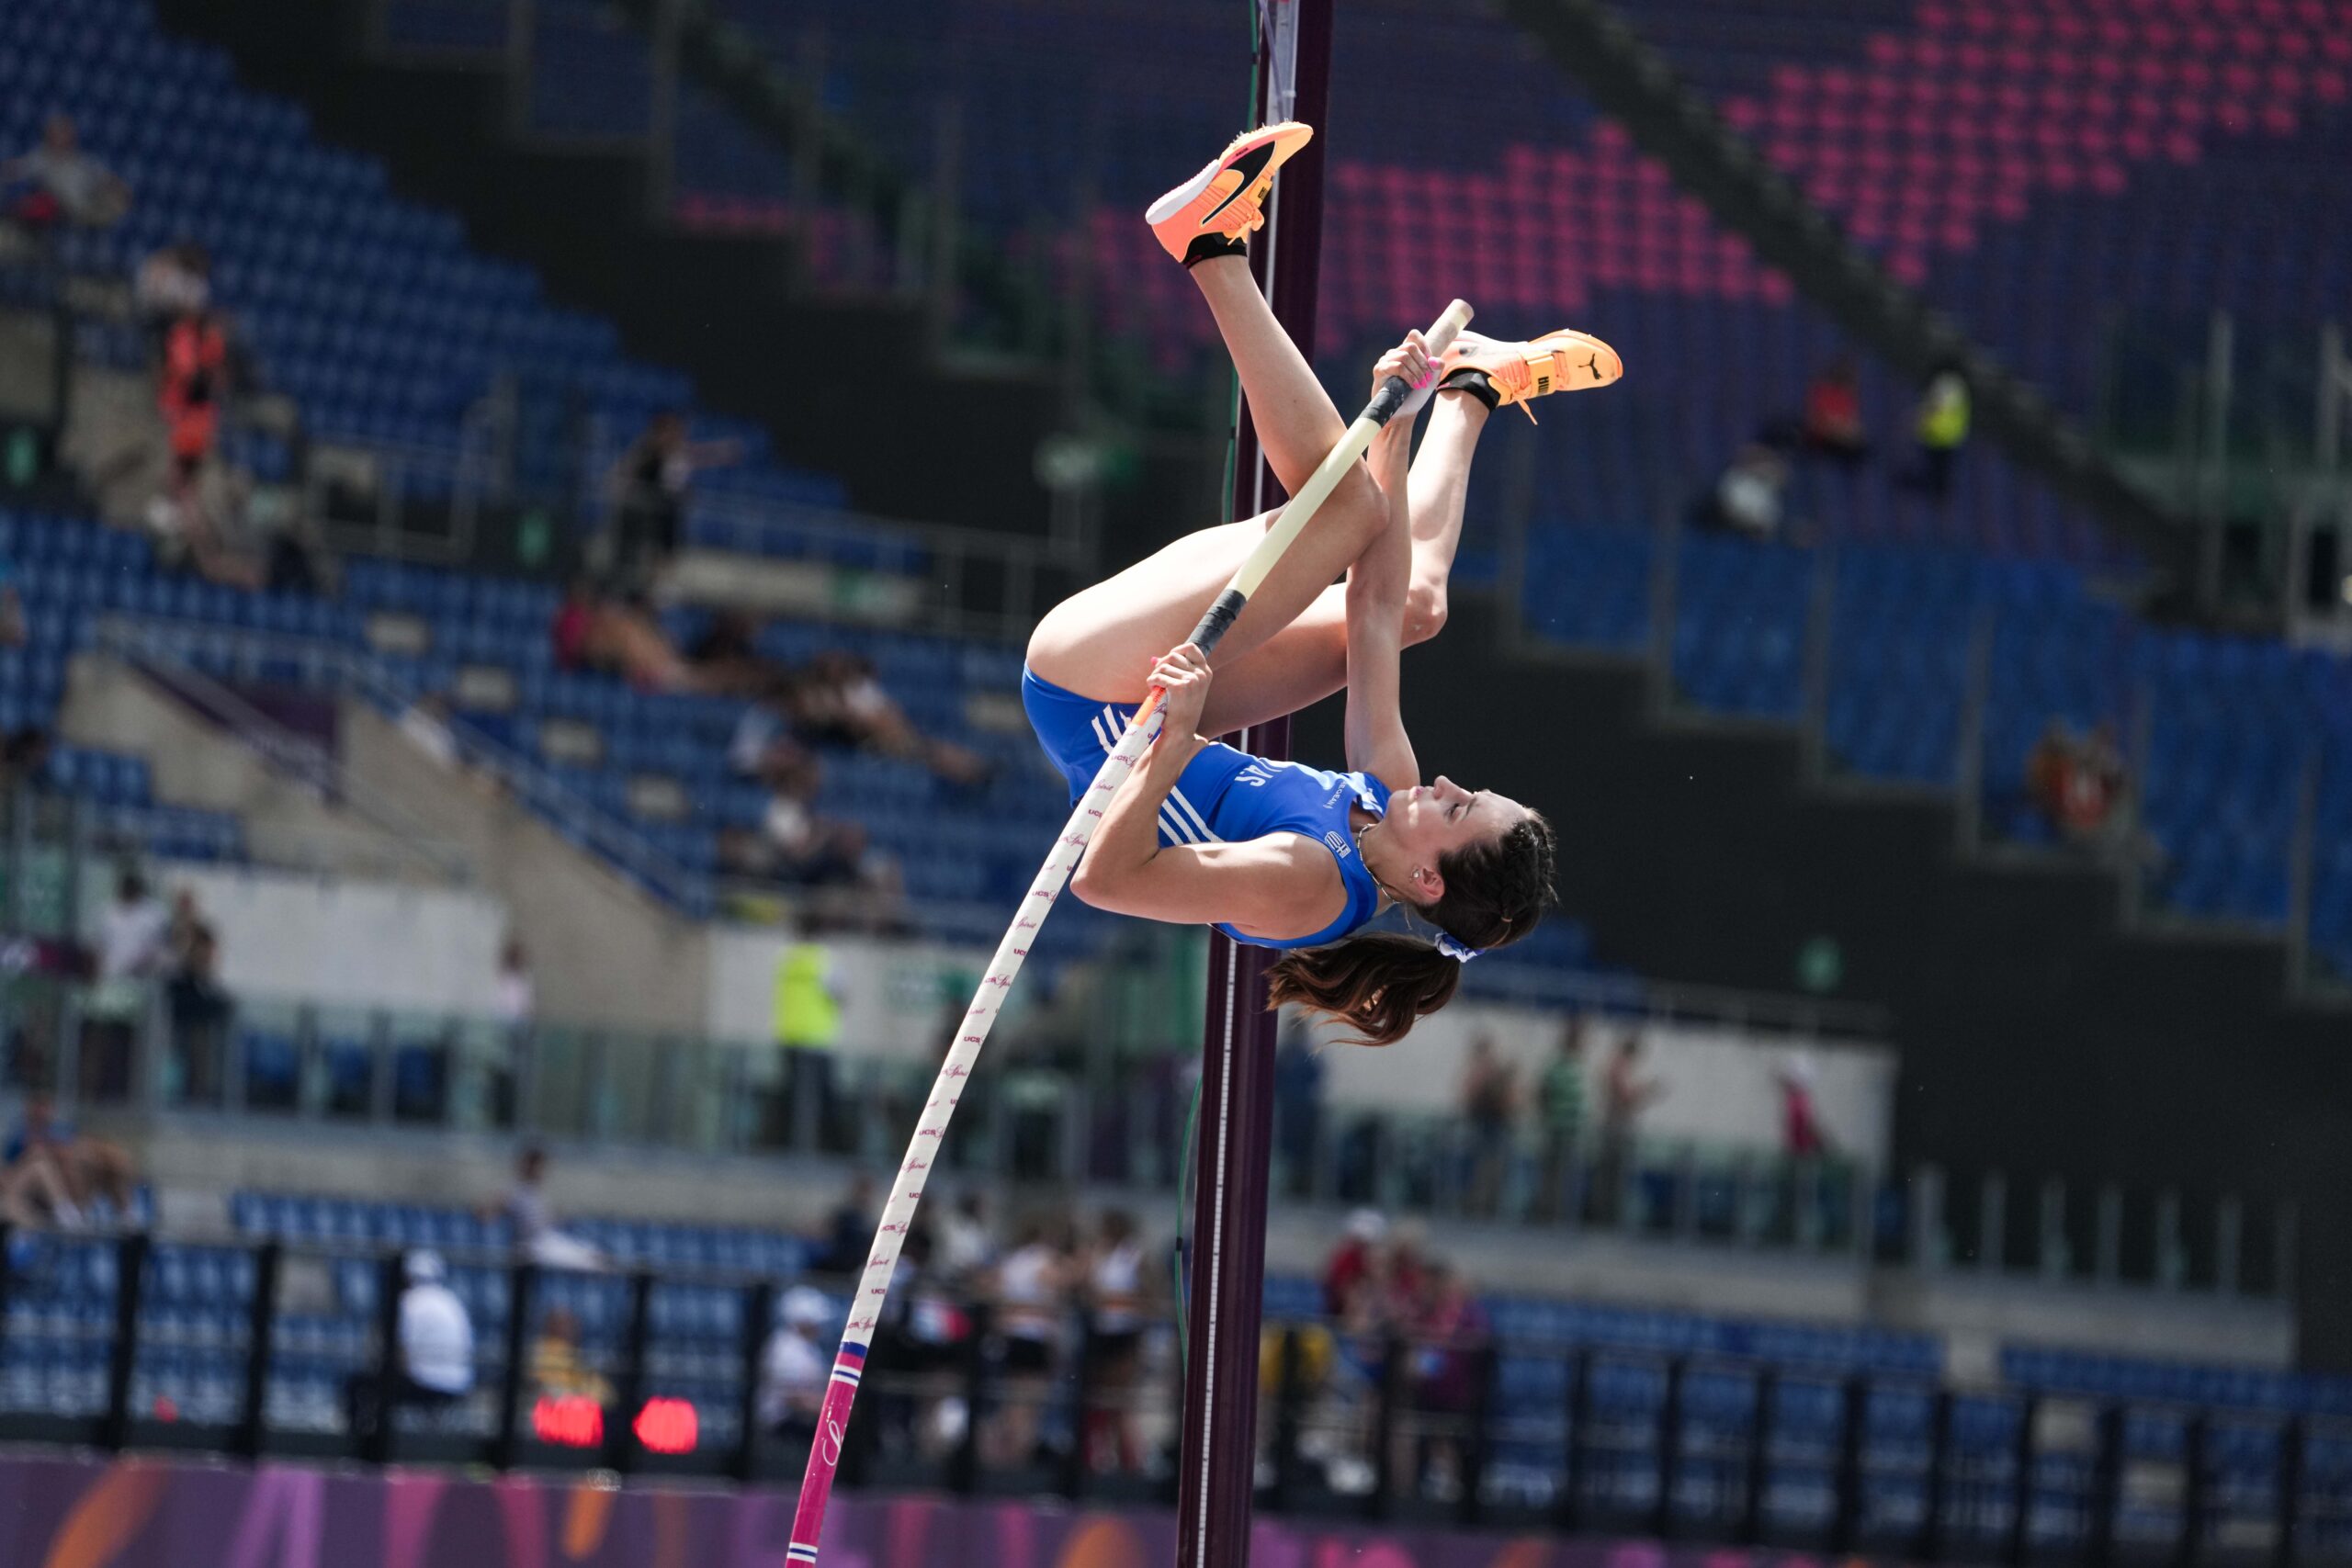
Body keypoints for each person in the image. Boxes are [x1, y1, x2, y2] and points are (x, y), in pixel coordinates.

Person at [1026, 123, 1614, 1047]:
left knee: (1342, 510)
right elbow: (1375, 606)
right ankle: (1471, 390)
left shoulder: (1308, 887)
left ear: (1427, 880)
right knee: (1415, 608)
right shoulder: (1387, 797)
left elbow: (1106, 880)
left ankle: (1208, 246)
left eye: (1458, 807)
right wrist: (1400, 420)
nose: (1446, 782)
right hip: (1154, 695)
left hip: (1086, 690)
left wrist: (1173, 744)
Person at [346, 1250, 473, 1441]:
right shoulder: (452, 1301)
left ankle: (361, 1442)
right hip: (459, 1386)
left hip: (427, 1385)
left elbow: (399, 1355)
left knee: (359, 1385)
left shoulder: (408, 1302)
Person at [607, 410, 741, 583]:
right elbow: (626, 470)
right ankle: (634, 576)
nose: (676, 435)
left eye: (677, 431)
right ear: (659, 432)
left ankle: (659, 582)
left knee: (665, 549)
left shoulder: (679, 451)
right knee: (638, 548)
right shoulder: (647, 450)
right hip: (644, 508)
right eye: (671, 431)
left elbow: (700, 455)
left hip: (667, 510)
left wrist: (722, 452)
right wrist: (619, 483)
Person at [1082, 1209, 1149, 1474]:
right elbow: (1088, 1288)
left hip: (1124, 1332)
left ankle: (1131, 1462)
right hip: (1102, 1331)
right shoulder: (1100, 1256)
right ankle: (1101, 1456)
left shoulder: (1134, 1256)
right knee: (1099, 1399)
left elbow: (1149, 1293)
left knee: (1120, 1401)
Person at [2, 115, 130, 232]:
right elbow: (15, 169)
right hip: (59, 210)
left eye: (64, 134)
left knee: (113, 203)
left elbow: (108, 179)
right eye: (57, 134)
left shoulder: (83, 162)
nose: (61, 138)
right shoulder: (40, 158)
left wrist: (117, 191)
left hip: (87, 206)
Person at [164, 888, 232, 1106]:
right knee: (171, 1044)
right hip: (173, 992)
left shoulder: (202, 932)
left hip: (195, 994)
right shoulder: (169, 930)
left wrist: (191, 951)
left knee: (198, 1045)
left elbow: (204, 963)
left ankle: (197, 1091)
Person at [493, 1145, 606, 1270]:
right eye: (536, 1166)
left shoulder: (535, 1193)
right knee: (591, 1261)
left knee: (595, 1254)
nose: (540, 1171)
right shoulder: (515, 1191)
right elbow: (492, 1206)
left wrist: (556, 1218)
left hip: (548, 1240)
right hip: (532, 1245)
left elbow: (542, 1221)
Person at [1595, 1033, 1663, 1225]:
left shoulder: (1621, 1067)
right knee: (1613, 1176)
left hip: (1618, 1128)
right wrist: (1649, 1091)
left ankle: (1607, 1214)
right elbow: (1626, 1098)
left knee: (1615, 1176)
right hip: (1616, 1129)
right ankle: (1605, 1217)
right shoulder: (1619, 1067)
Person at [759, 1287, 831, 1446]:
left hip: (803, 1419)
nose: (819, 1326)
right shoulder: (783, 1347)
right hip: (781, 1423)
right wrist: (831, 1409)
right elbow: (792, 1397)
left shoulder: (810, 1348)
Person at [1458, 1035, 1517, 1217]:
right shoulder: (1477, 1072)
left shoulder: (1494, 1072)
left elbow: (1507, 1098)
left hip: (1495, 1125)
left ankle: (1489, 1207)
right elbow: (1469, 1096)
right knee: (1479, 1170)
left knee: (1493, 1169)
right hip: (1481, 1125)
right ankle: (1476, 1206)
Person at [1537, 1016, 1589, 1221]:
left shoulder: (1578, 1066)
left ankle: (1559, 1212)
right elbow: (1544, 1091)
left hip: (1572, 1130)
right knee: (1552, 1172)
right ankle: (1547, 1212)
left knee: (1565, 1173)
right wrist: (1546, 1117)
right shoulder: (1558, 1064)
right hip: (1557, 1127)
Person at [1900, 365, 1971, 499]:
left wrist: (1918, 422)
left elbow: (1936, 407)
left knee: (1937, 470)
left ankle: (1936, 492)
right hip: (1942, 437)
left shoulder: (1947, 386)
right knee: (1936, 470)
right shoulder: (1957, 386)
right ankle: (1937, 492)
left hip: (1940, 437)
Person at [1702, 442, 1792, 540]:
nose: (1763, 466)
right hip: (1734, 532)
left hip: (1761, 535)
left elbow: (1773, 518)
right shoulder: (1734, 479)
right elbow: (1728, 511)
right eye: (1758, 461)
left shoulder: (1766, 486)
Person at [1796, 355, 1868, 467]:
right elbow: (1818, 420)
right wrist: (1837, 427)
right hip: (1819, 439)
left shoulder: (1848, 398)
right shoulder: (1823, 390)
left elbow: (1850, 423)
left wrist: (1848, 430)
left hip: (1840, 442)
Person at [814, 1172, 876, 1277]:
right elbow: (825, 1233)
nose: (864, 1196)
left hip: (856, 1266)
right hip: (838, 1262)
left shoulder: (868, 1222)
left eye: (866, 1192)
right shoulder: (844, 1215)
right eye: (862, 1191)